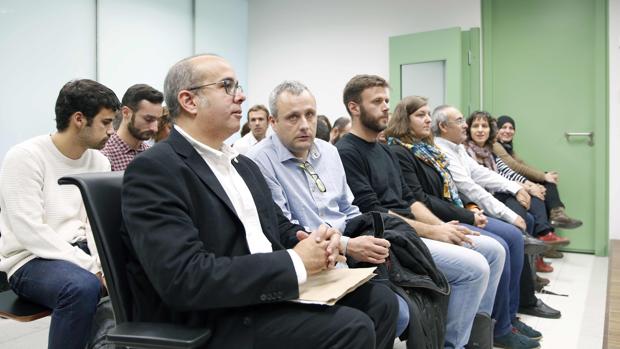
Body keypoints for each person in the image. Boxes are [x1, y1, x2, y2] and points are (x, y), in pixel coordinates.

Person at [120, 54, 398, 349]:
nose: (241, 96)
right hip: (214, 316)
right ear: (190, 101)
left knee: (379, 301)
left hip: (262, 294)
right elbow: (184, 278)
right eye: (227, 86)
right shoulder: (157, 169)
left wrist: (319, 243)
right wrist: (296, 261)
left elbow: (278, 228)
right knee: (350, 329)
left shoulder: (242, 165)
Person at [336, 74, 505, 349]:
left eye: (386, 100)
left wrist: (442, 227)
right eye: (377, 101)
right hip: (392, 237)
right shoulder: (346, 152)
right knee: (474, 268)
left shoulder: (386, 150)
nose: (385, 107)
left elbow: (410, 200)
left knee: (493, 251)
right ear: (354, 108)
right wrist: (433, 231)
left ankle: (476, 341)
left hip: (412, 229)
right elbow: (375, 213)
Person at [248, 80, 422, 342]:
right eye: (293, 117)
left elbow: (348, 208)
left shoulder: (328, 152)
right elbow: (285, 230)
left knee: (394, 307)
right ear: (273, 122)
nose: (305, 124)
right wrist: (348, 245)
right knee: (380, 316)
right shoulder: (259, 161)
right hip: (309, 263)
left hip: (349, 256)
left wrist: (366, 237)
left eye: (310, 114)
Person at [385, 96, 544, 348]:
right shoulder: (401, 151)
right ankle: (493, 328)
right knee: (503, 242)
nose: (467, 127)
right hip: (434, 219)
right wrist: (465, 216)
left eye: (428, 114)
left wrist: (510, 190)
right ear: (405, 119)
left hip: (452, 211)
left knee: (509, 237)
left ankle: (501, 321)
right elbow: (420, 199)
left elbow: (462, 184)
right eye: (420, 115)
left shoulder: (428, 149)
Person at [0, 79, 119, 349]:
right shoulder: (25, 157)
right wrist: (94, 270)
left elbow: (95, 224)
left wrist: (103, 266)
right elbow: (29, 231)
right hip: (30, 259)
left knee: (141, 272)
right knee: (81, 287)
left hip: (80, 251)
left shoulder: (99, 160)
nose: (112, 131)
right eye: (106, 122)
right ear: (79, 119)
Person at [431, 105, 561, 320]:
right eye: (462, 121)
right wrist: (510, 215)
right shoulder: (443, 149)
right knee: (511, 234)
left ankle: (520, 303)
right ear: (443, 127)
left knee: (524, 218)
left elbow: (483, 173)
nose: (466, 125)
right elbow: (469, 188)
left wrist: (518, 187)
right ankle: (507, 318)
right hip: (466, 209)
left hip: (479, 202)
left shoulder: (458, 148)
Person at [465, 111, 568, 267]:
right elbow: (490, 178)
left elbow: (508, 172)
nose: (480, 130)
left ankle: (539, 243)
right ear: (469, 130)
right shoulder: (465, 151)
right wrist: (524, 186)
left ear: (490, 130)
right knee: (524, 208)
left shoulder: (489, 151)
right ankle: (529, 237)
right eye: (476, 126)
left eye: (484, 126)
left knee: (531, 201)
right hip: (478, 201)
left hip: (496, 193)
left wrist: (528, 185)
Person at [494, 115, 582, 230]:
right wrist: (541, 178)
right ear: (496, 130)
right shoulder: (495, 145)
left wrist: (544, 175)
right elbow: (515, 167)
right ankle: (553, 220)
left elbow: (522, 164)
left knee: (546, 182)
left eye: (511, 128)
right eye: (504, 127)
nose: (508, 131)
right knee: (543, 185)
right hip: (506, 185)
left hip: (515, 179)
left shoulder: (508, 148)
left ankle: (557, 214)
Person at [101, 84, 163, 171]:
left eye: (157, 120)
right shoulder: (103, 156)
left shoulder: (154, 155)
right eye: (148, 119)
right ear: (126, 113)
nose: (155, 128)